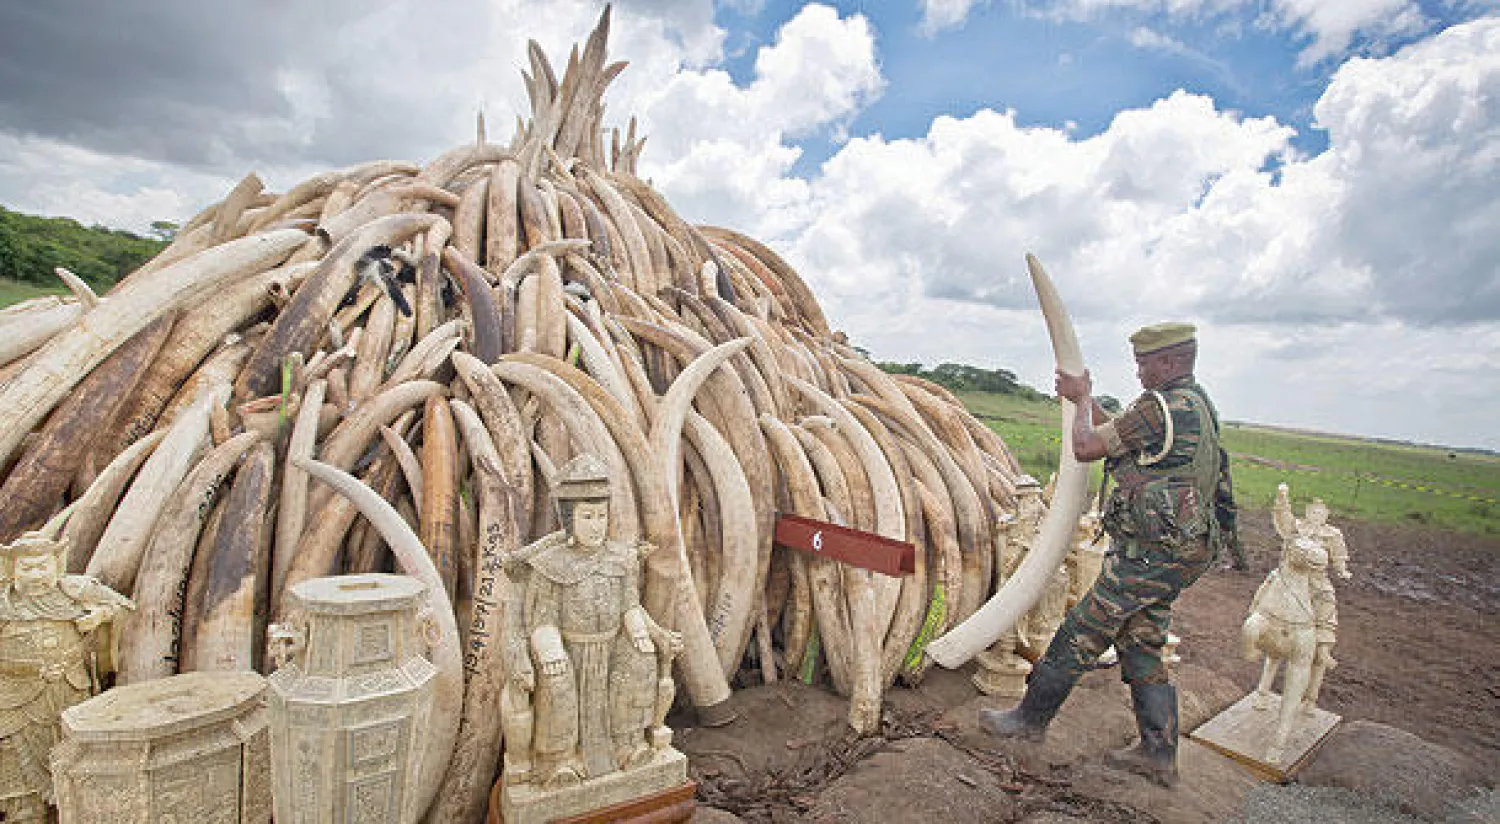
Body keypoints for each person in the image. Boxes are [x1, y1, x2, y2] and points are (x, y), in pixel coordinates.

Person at [979, 321, 1235, 787]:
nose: (1138, 372)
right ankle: (1158, 753)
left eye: (1146, 363)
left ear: (1172, 362)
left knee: (1083, 628)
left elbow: (1086, 446)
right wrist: (1082, 402)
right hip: (1179, 550)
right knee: (1141, 638)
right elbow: (1112, 432)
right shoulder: (1193, 403)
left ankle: (1028, 722)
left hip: (1154, 554)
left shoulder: (1161, 407)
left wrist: (1080, 399)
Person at [499, 454, 681, 790]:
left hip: (611, 647)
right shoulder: (549, 565)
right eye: (587, 516)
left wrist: (640, 631)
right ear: (569, 519)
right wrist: (550, 648)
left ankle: (627, 745)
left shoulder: (620, 558)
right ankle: (559, 760)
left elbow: (630, 604)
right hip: (570, 652)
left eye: (601, 515)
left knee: (639, 664)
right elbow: (542, 619)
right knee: (558, 688)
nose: (596, 525)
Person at [0, 531, 132, 821]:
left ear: (57, 565)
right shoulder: (3, 602)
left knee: (76, 768)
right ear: (12, 569)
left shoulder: (76, 590)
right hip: (15, 702)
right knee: (20, 787)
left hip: (69, 691)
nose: (35, 576)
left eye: (42, 566)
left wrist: (100, 617)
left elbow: (123, 606)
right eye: (27, 568)